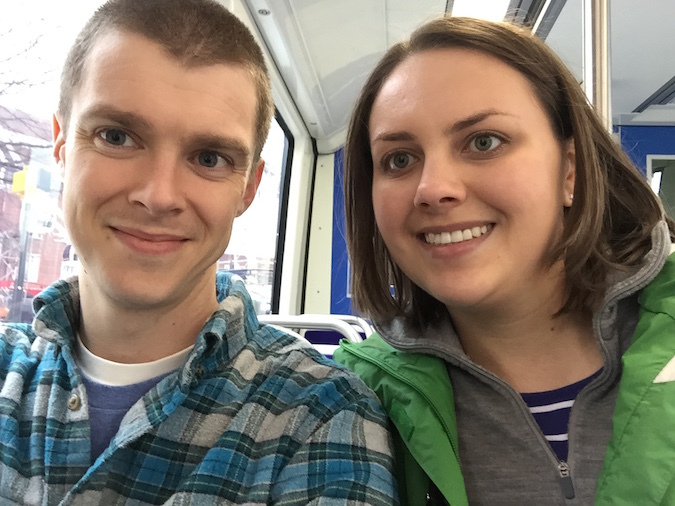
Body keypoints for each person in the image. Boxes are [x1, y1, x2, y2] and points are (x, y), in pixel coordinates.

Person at [0, 0, 398, 503]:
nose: (159, 195)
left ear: (249, 188)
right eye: (117, 136)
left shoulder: (321, 417)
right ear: (61, 145)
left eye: (209, 158)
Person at [334, 15, 675, 506]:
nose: (433, 189)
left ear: (570, 171)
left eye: (483, 142)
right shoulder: (350, 400)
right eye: (400, 159)